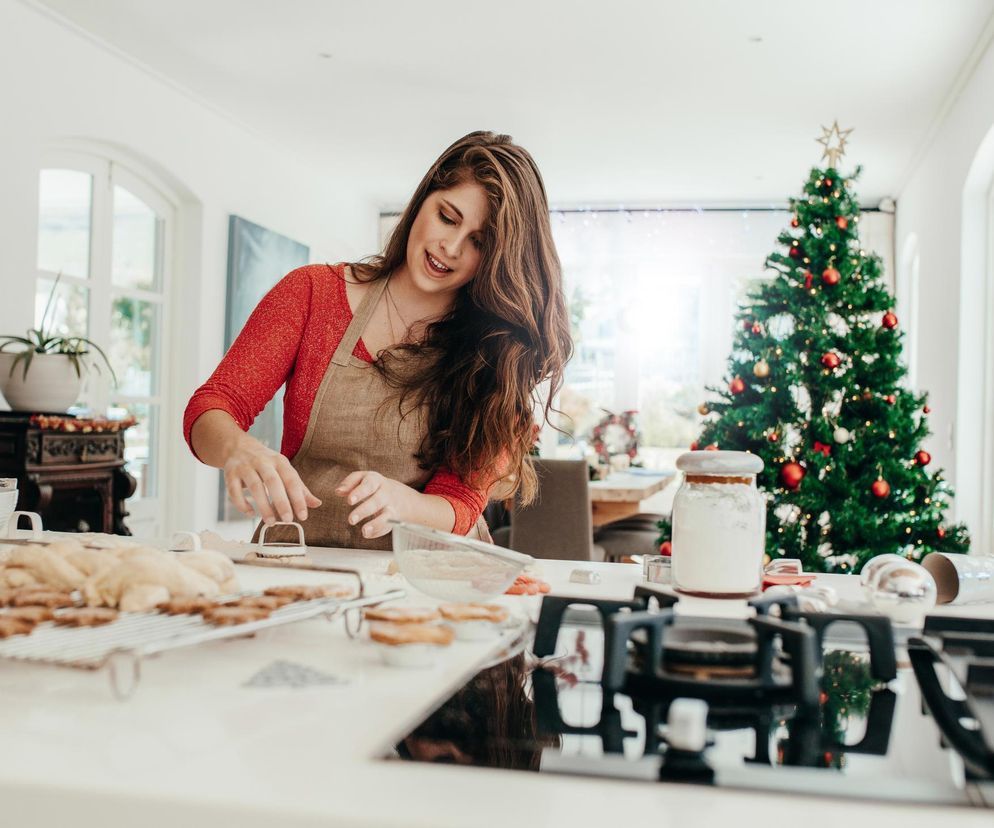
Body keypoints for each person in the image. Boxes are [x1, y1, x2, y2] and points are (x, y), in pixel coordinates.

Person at [183, 131, 572, 549]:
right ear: (423, 199)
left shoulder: (496, 350)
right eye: (447, 217)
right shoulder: (311, 294)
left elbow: (461, 503)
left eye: (478, 242)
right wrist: (239, 450)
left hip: (429, 578)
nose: (451, 247)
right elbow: (213, 405)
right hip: (300, 559)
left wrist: (406, 503)